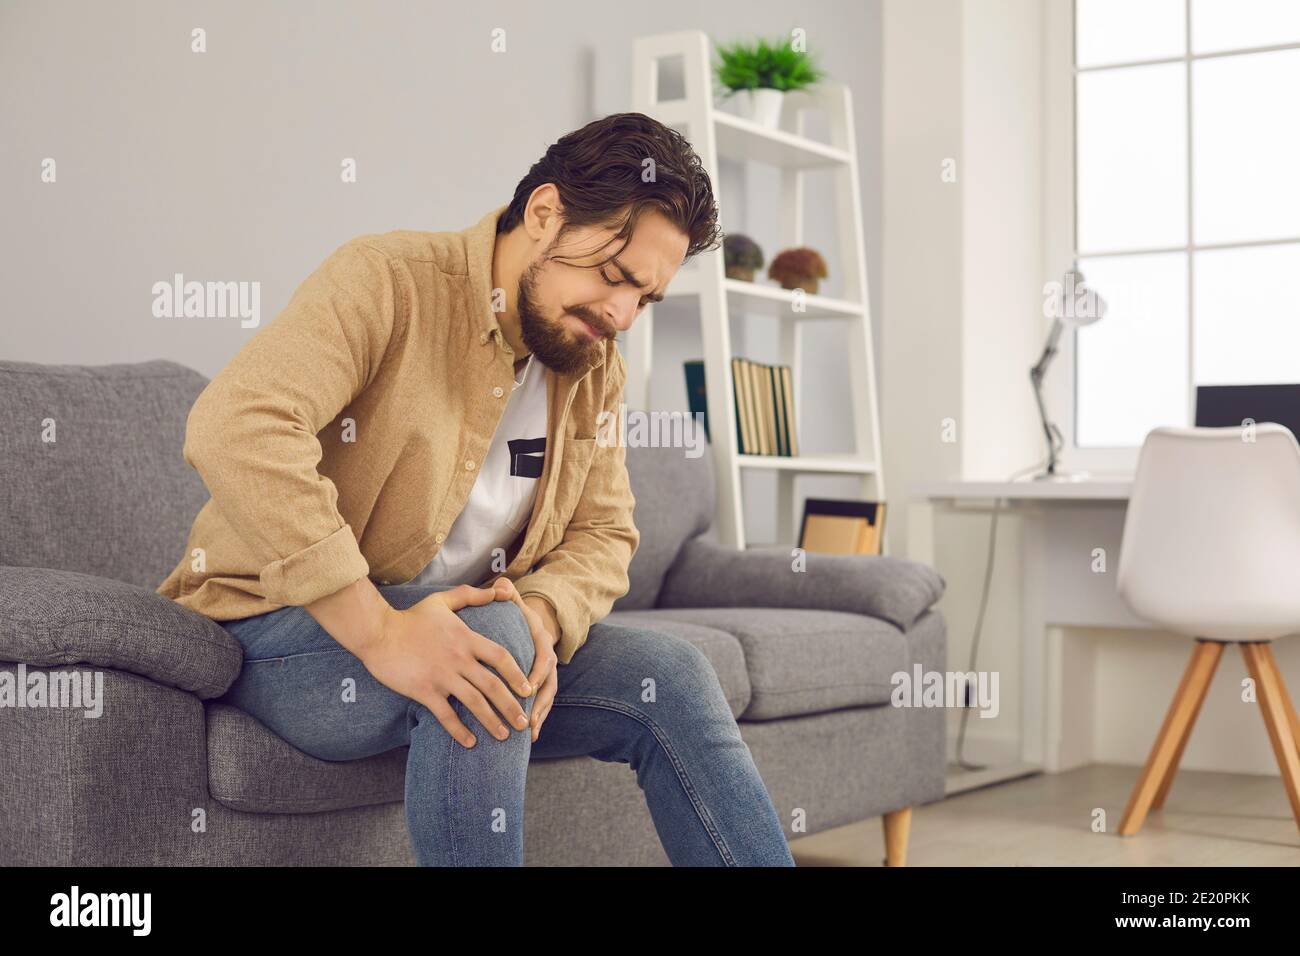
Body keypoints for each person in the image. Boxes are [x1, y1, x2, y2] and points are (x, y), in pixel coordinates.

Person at [158, 112, 795, 867]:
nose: (621, 314)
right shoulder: (388, 280)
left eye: (644, 300)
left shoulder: (593, 366)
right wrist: (380, 632)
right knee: (487, 647)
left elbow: (605, 534)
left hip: (472, 633)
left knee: (672, 675)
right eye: (614, 277)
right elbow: (235, 426)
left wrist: (541, 618)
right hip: (280, 627)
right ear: (545, 213)